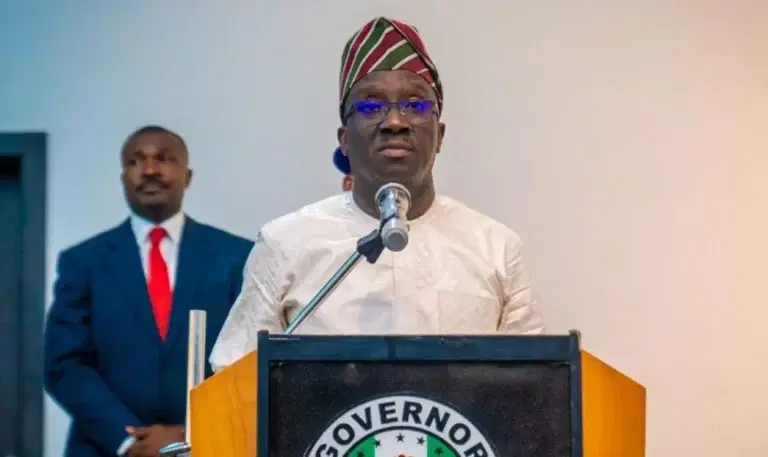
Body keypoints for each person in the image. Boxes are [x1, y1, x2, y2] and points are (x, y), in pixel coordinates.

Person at [209, 17, 545, 372]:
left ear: (440, 135)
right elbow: (234, 382)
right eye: (370, 107)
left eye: (416, 105)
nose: (395, 122)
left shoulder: (495, 248)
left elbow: (536, 380)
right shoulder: (285, 244)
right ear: (344, 139)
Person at [44, 125, 254, 457]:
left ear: (188, 176)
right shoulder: (82, 261)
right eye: (135, 161)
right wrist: (129, 440)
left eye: (164, 159)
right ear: (123, 178)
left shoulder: (237, 256)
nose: (150, 170)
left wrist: (189, 432)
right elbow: (64, 365)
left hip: (209, 444)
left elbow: (249, 360)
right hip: (105, 448)